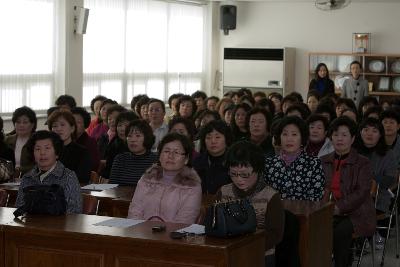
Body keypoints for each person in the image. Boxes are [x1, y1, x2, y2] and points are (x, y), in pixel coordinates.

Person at [320, 117, 376, 267]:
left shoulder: (363, 162)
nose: (339, 139)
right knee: (315, 229)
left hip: (358, 213)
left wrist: (339, 207)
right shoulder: (323, 161)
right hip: (328, 210)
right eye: (336, 134)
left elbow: (362, 191)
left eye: (344, 135)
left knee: (340, 232)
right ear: (331, 137)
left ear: (352, 139)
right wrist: (325, 207)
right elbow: (319, 188)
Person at [220, 141, 284, 266]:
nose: (239, 179)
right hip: (227, 254)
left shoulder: (271, 197)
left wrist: (244, 247)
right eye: (233, 174)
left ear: (258, 170)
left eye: (245, 174)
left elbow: (275, 234)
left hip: (260, 256)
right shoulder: (223, 192)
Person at [127, 133, 202, 224]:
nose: (171, 156)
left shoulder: (192, 186)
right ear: (159, 156)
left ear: (186, 159)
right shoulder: (146, 179)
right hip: (141, 235)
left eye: (176, 152)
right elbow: (134, 212)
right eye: (166, 151)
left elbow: (184, 222)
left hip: (174, 236)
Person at [15, 130, 82, 214]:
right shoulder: (27, 178)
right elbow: (19, 208)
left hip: (59, 226)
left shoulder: (68, 176)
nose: (42, 153)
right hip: (31, 225)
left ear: (57, 153)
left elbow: (74, 212)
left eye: (47, 148)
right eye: (38, 149)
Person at [264, 116, 325, 201]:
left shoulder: (314, 163)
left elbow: (316, 197)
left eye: (294, 134)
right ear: (279, 137)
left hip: (304, 213)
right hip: (275, 213)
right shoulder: (269, 164)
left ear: (302, 138)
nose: (289, 139)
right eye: (285, 134)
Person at [355, 117, 397, 214]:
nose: (369, 134)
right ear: (360, 132)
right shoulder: (352, 151)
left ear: (380, 135)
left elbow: (390, 179)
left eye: (374, 131)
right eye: (366, 130)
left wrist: (371, 179)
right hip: (350, 197)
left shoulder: (388, 154)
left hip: (378, 198)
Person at [47, 110, 92, 184]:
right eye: (55, 126)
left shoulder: (82, 152)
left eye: (62, 125)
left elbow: (82, 179)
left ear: (72, 128)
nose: (58, 129)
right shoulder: (46, 151)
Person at [109, 120, 158, 186]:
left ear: (147, 138)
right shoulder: (120, 159)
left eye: (138, 136)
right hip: (121, 196)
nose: (133, 140)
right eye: (129, 136)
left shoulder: (156, 160)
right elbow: (112, 187)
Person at [193, 120, 232, 194]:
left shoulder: (234, 162)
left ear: (226, 139)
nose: (213, 141)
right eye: (208, 137)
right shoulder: (197, 161)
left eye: (217, 137)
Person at [5, 106, 37, 175]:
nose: (21, 125)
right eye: (18, 122)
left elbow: (41, 165)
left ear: (32, 125)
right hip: (9, 180)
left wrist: (20, 170)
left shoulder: (38, 140)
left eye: (25, 122)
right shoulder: (8, 140)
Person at [71, 107, 100, 172]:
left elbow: (94, 165)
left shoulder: (90, 142)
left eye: (78, 122)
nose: (74, 125)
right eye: (72, 122)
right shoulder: (65, 141)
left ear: (85, 124)